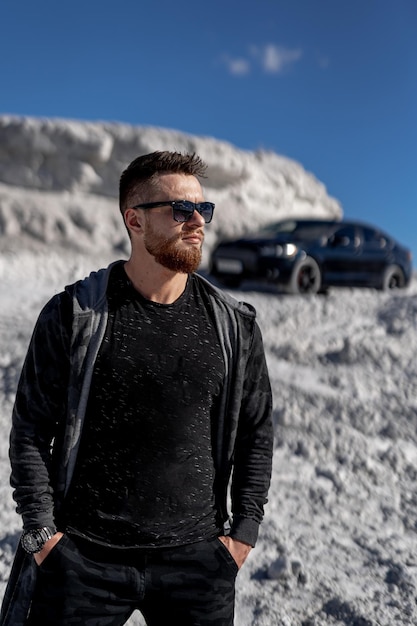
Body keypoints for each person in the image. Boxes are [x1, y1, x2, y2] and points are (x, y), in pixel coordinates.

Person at [0, 151, 273, 626]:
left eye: (203, 210)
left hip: (198, 564)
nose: (197, 222)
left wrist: (242, 534)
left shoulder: (234, 327)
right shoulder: (75, 314)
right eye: (181, 210)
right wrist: (43, 537)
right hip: (83, 561)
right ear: (134, 220)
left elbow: (256, 433)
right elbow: (29, 429)